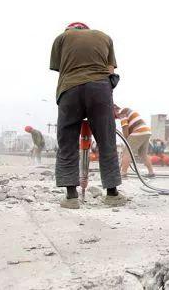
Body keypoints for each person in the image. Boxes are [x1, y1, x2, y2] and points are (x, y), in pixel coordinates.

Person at [50, 22, 126, 209]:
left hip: (70, 89)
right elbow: (110, 71)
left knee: (67, 142)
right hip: (99, 89)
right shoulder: (104, 36)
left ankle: (71, 196)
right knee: (106, 140)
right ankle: (112, 194)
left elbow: (60, 68)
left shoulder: (61, 37)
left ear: (70, 30)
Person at [114, 105, 155, 178]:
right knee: (143, 154)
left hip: (138, 131)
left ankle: (123, 173)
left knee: (127, 152)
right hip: (146, 131)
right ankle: (151, 172)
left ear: (114, 110)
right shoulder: (127, 111)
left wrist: (126, 140)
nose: (116, 118)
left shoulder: (122, 112)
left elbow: (125, 127)